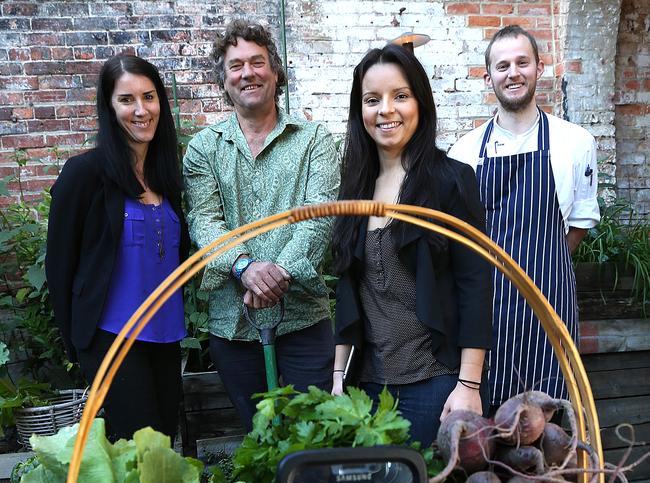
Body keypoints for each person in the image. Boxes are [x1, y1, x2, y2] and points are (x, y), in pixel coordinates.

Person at [332, 43, 493, 445]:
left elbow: (475, 285)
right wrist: (338, 379)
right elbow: (348, 293)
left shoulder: (451, 180)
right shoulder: (354, 190)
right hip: (366, 391)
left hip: (436, 386)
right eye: (373, 99)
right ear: (360, 112)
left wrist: (468, 386)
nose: (386, 109)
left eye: (400, 96)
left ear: (420, 102)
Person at [183, 19, 340, 431]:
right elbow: (203, 218)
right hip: (234, 323)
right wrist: (245, 268)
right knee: (258, 435)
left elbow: (319, 213)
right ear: (224, 79)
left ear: (275, 71)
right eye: (236, 66)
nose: (247, 73)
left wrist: (279, 274)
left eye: (257, 62)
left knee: (315, 430)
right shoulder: (204, 148)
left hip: (303, 317)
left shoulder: (314, 140)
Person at [449, 25, 600, 412]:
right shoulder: (464, 151)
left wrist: (542, 262)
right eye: (502, 66)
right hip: (487, 306)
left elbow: (580, 222)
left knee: (549, 420)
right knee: (485, 427)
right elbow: (458, 237)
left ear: (539, 68)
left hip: (550, 304)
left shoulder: (575, 142)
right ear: (489, 77)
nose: (512, 73)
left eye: (522, 63)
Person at [46, 54, 189, 441]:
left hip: (166, 335)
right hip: (112, 338)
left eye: (149, 97)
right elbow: (59, 267)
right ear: (109, 107)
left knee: (162, 446)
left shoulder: (168, 177)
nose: (141, 110)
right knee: (136, 449)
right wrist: (79, 345)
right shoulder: (84, 174)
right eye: (127, 100)